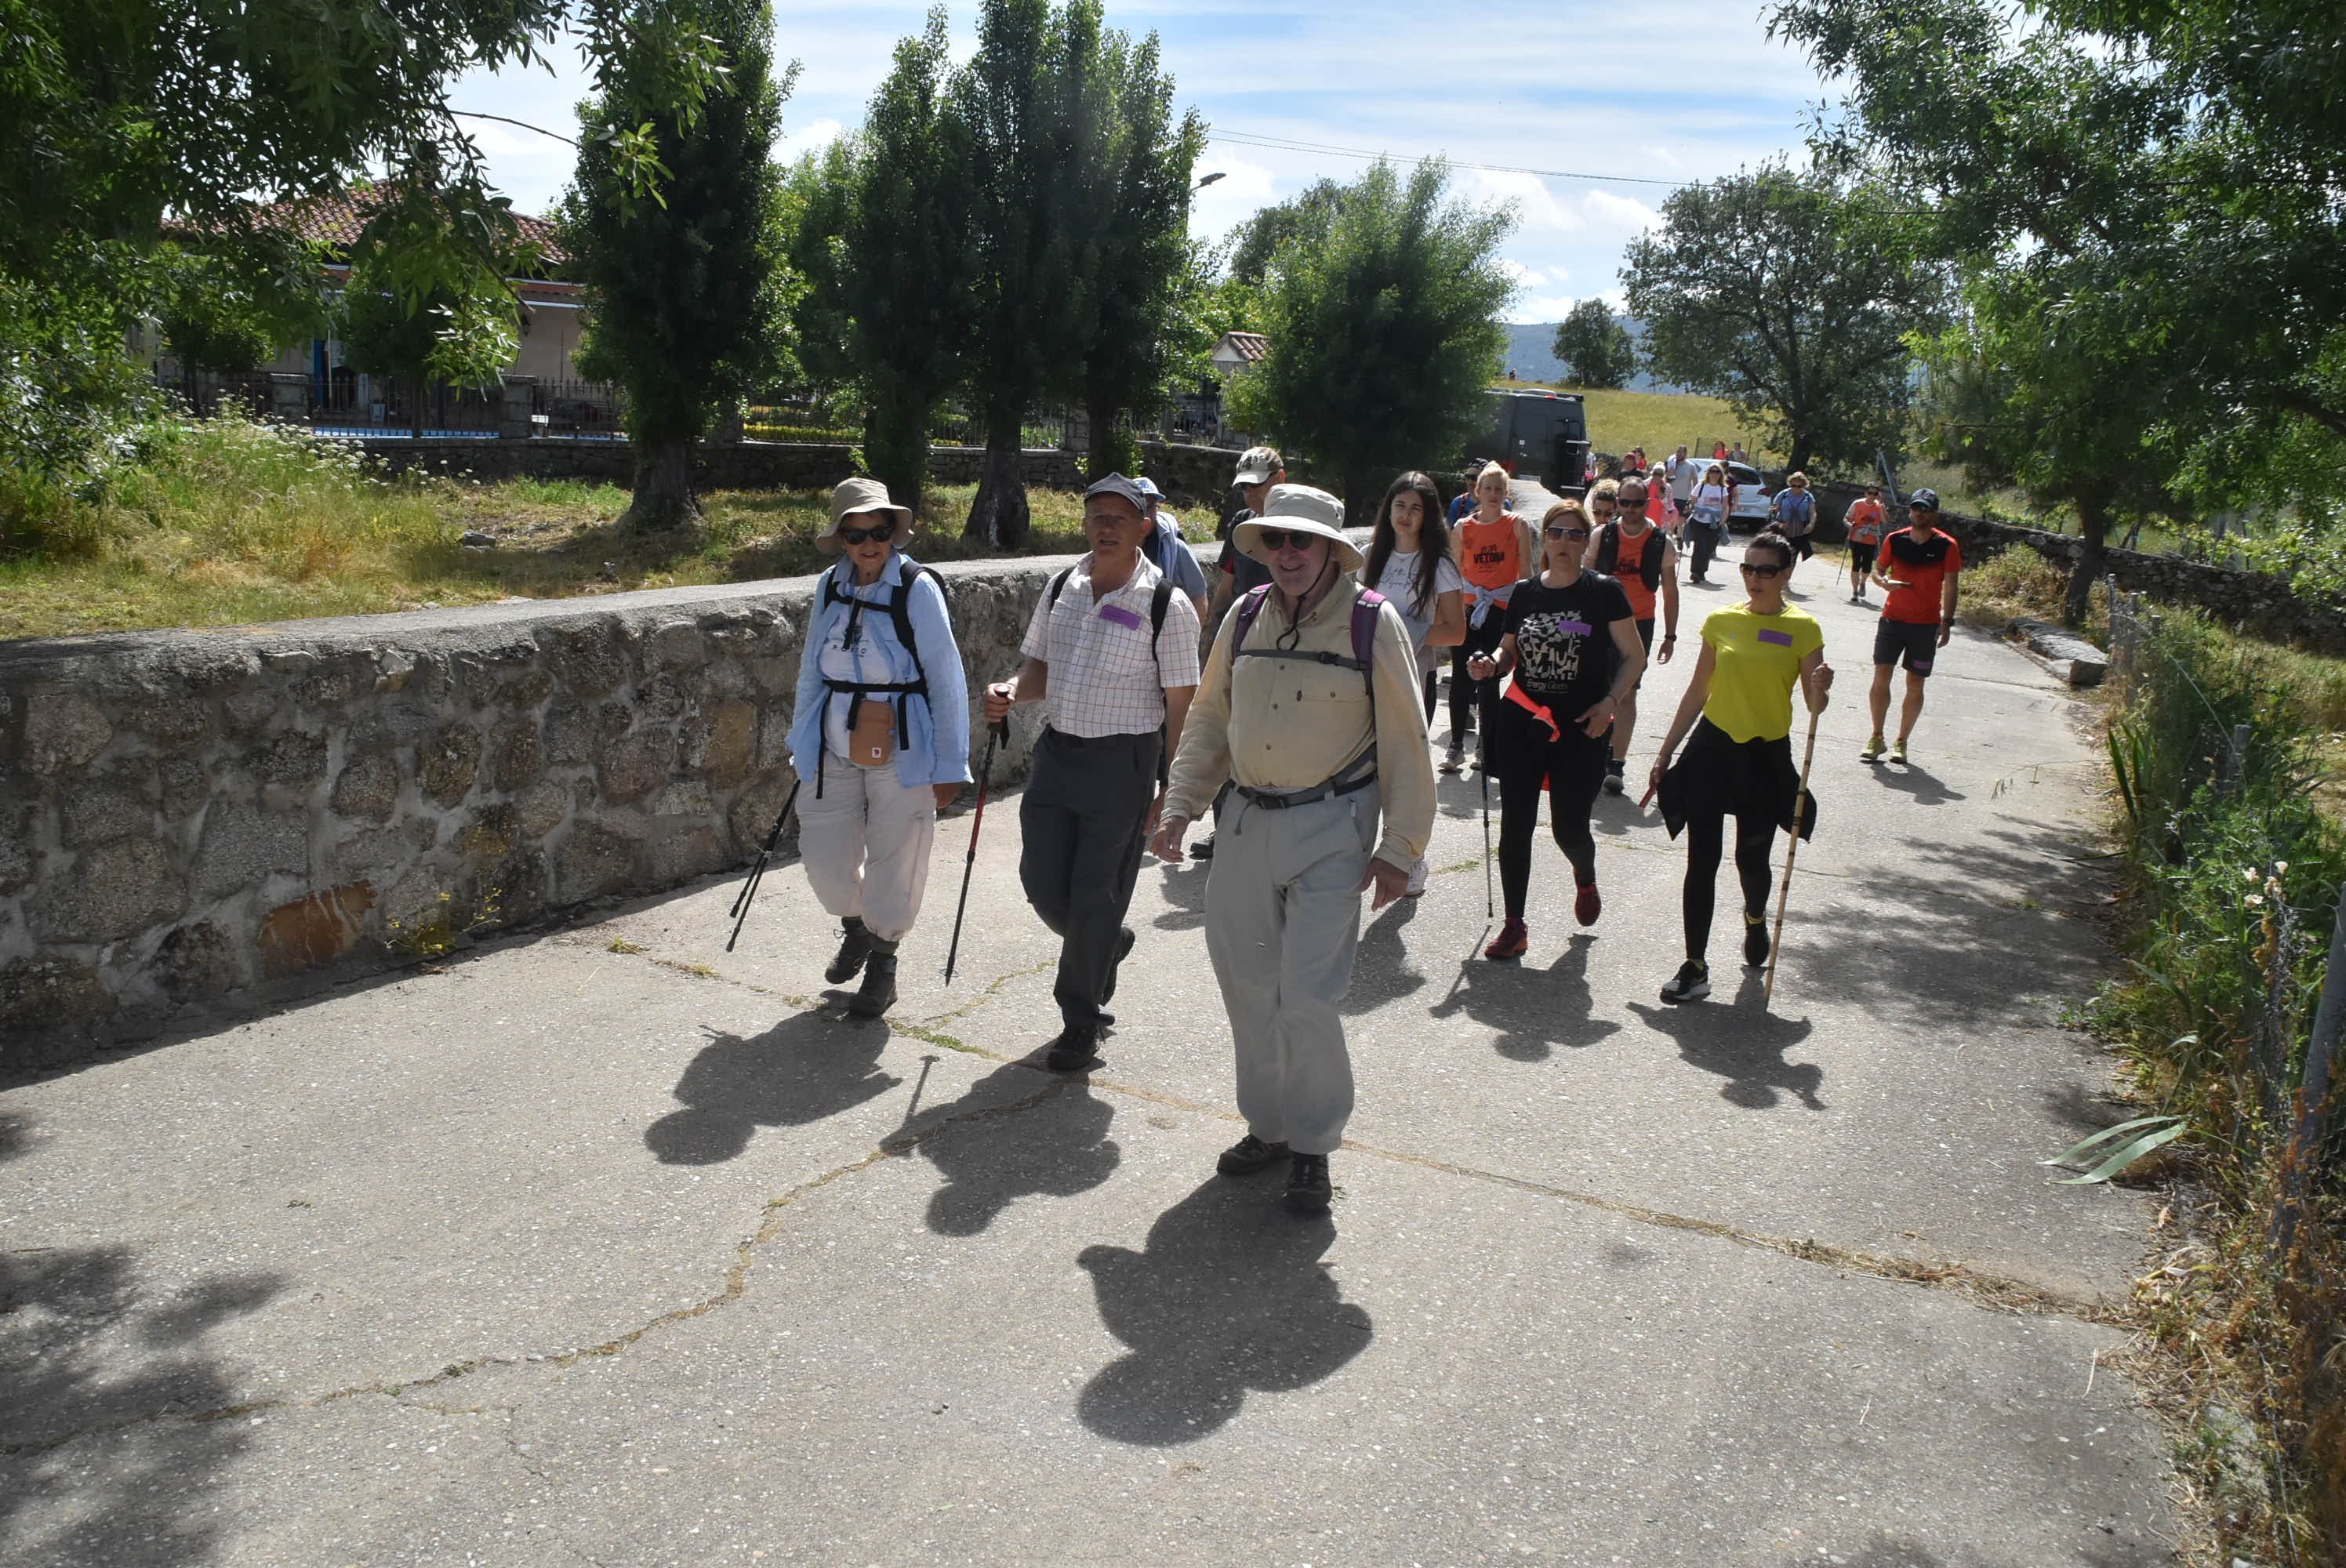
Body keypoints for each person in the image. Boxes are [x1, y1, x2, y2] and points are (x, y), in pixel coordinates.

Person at [1149, 485, 1436, 1215]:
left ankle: (1312, 1147)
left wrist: (1401, 849)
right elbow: (1211, 718)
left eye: (1301, 542)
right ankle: (1269, 1127)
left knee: (1307, 996)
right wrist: (1180, 806)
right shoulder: (1244, 617)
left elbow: (1407, 740)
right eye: (1275, 540)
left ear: (1334, 552)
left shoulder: (1374, 624)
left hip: (1333, 829)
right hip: (1243, 823)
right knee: (1247, 985)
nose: (1286, 554)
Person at [986, 474, 1202, 1070]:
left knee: (1093, 897)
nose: (1106, 526)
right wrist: (1010, 689)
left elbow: (1182, 705)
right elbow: (1040, 670)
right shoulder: (1063, 586)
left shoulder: (1167, 604)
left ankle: (1081, 1019)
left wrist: (1172, 790)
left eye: (1119, 516)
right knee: (1041, 883)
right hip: (1057, 755)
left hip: (1122, 764)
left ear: (1144, 527)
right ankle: (1107, 942)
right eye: (1096, 516)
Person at [788, 478, 973, 1018]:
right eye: (855, 534)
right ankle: (856, 928)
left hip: (905, 740)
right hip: (833, 737)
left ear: (895, 532)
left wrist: (949, 765)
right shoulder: (829, 585)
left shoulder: (917, 588)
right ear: (841, 538)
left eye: (879, 531)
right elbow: (808, 669)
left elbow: (946, 678)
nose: (869, 543)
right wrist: (802, 740)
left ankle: (884, 963)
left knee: (898, 855)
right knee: (825, 862)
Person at [1647, 529, 1832, 1004]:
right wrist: (1667, 751)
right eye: (1748, 568)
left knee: (1751, 859)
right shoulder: (1722, 619)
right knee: (1701, 860)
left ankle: (1754, 918)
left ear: (1786, 574)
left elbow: (1815, 705)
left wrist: (1821, 684)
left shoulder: (1804, 629)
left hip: (1764, 756)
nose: (1754, 578)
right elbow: (1698, 688)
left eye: (1766, 570)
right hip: (1713, 749)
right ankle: (1695, 965)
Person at [1471, 498, 1646, 960]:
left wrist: (1610, 703)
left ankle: (1585, 877)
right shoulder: (1527, 592)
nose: (1564, 542)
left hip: (1581, 727)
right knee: (1517, 824)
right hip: (1523, 721)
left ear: (1586, 540)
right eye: (1556, 533)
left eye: (1574, 534)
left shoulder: (1603, 592)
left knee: (1570, 829)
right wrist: (1492, 663)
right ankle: (1514, 925)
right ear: (1544, 539)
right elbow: (1509, 651)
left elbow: (1634, 655)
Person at [1363, 470, 1468, 896]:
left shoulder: (1439, 566)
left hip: (1413, 680)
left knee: (1405, 773)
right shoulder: (1371, 555)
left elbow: (1456, 632)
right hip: (1365, 681)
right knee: (1364, 770)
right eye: (1399, 506)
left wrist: (1404, 632)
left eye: (1415, 508)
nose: (1405, 516)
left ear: (1428, 516)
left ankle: (1413, 857)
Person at [1196, 446, 1286, 862]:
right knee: (1227, 739)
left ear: (1279, 479)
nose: (1249, 494)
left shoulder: (1297, 531)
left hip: (1284, 655)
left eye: (1257, 485)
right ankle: (1225, 833)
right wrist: (1211, 634)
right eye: (1244, 487)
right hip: (1238, 645)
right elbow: (1226, 586)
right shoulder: (1240, 524)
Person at [1585, 474, 1680, 793]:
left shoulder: (1660, 542)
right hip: (1601, 622)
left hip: (1640, 623)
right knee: (1596, 688)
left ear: (1647, 504)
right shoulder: (1603, 535)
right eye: (1623, 503)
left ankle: (1617, 764)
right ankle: (1593, 754)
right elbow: (1583, 577)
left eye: (1637, 503)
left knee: (1626, 694)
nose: (1630, 509)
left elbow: (1670, 590)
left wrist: (1670, 636)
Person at [1445, 461, 1541, 774]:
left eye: (1499, 489)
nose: (1493, 494)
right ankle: (1456, 744)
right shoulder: (1463, 528)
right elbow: (1453, 570)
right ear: (1477, 492)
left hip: (1502, 608)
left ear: (1506, 493)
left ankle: (1486, 746)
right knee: (1461, 676)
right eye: (1488, 488)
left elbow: (1526, 571)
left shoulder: (1517, 526)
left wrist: (1525, 612)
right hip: (1471, 609)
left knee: (1489, 677)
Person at [1861, 486, 1961, 766]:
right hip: (1892, 620)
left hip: (1925, 625)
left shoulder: (1947, 546)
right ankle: (1877, 736)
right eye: (1916, 508)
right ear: (1910, 511)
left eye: (1925, 509)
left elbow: (1951, 586)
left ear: (1934, 514)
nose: (1919, 513)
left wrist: (1947, 622)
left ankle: (1902, 741)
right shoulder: (1895, 540)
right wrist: (1883, 582)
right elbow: (1877, 571)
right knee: (1881, 676)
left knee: (1915, 683)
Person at [1133, 475, 1209, 619]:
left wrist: (1190, 638)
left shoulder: (1176, 549)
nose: (1145, 514)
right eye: (1139, 507)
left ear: (1157, 508)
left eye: (1150, 507)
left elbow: (1199, 597)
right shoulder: (1117, 547)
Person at [1683, 462, 1732, 585]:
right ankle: (1695, 572)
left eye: (1717, 472)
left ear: (1720, 474)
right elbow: (1692, 501)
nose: (1714, 474)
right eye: (1712, 471)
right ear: (1708, 473)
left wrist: (1723, 520)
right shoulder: (1701, 486)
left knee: (1708, 548)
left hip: (1714, 522)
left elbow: (1725, 506)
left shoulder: (1723, 489)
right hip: (1698, 520)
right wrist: (1689, 508)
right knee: (1699, 546)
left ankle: (1702, 571)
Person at [1770, 471, 1817, 585]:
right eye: (1793, 485)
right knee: (1780, 553)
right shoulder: (1784, 494)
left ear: (1804, 485)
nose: (1796, 488)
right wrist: (1774, 511)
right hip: (1783, 527)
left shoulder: (1808, 496)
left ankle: (1786, 580)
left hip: (1799, 529)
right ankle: (1778, 576)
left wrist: (1811, 524)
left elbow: (1813, 512)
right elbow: (1775, 508)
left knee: (1793, 555)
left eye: (1799, 486)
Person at [1843, 482, 1887, 604]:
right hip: (1856, 537)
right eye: (1870, 493)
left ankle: (1863, 582)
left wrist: (1882, 505)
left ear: (1878, 495)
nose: (1872, 496)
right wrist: (1849, 525)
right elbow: (1846, 518)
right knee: (1856, 564)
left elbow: (1884, 520)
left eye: (1875, 493)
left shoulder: (1879, 507)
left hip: (1871, 539)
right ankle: (1855, 592)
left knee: (1867, 567)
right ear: (1865, 493)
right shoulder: (1857, 504)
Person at [1665, 445, 1698, 538]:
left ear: (1685, 454)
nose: (1678, 454)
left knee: (1681, 522)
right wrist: (1667, 474)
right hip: (1671, 497)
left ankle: (1680, 539)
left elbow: (1695, 483)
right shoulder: (1671, 464)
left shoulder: (1691, 466)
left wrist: (1694, 498)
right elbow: (1664, 480)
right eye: (1677, 452)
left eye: (1681, 452)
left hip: (1684, 498)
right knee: (1671, 522)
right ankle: (1670, 541)